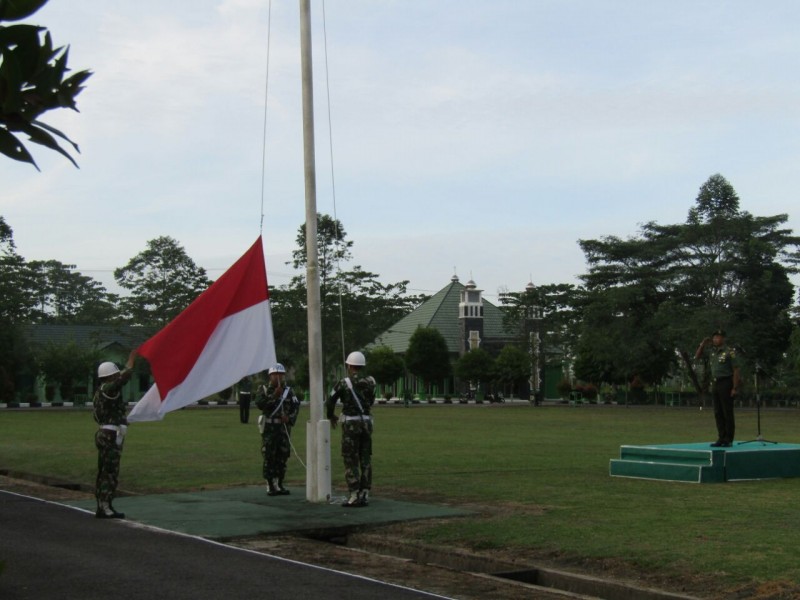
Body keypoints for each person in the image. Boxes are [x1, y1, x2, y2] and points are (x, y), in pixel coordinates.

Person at [325, 351, 376, 507]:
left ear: (349, 366)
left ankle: (354, 494)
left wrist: (331, 416)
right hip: (367, 424)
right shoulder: (371, 382)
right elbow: (371, 401)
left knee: (350, 459)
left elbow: (330, 400)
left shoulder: (343, 382)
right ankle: (365, 493)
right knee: (365, 458)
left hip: (351, 425)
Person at [93, 350, 137, 519]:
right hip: (110, 435)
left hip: (105, 432)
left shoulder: (100, 391)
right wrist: (130, 362)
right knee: (109, 472)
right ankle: (105, 507)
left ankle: (104, 505)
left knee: (104, 471)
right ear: (111, 376)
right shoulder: (108, 389)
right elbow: (122, 380)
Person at [255, 363, 300, 496]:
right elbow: (260, 404)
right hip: (270, 429)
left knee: (283, 456)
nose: (278, 377)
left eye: (281, 374)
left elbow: (295, 406)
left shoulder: (289, 391)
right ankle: (270, 484)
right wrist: (274, 395)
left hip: (283, 428)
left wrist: (290, 418)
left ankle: (279, 483)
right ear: (270, 376)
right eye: (275, 375)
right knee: (269, 456)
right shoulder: (263, 389)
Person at [695, 329, 741, 447]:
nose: (716, 339)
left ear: (723, 339)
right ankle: (721, 437)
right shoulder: (712, 351)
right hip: (715, 383)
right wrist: (702, 344)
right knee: (717, 412)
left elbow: (736, 369)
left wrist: (734, 387)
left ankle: (728, 439)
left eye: (718, 337)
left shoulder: (729, 352)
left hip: (726, 382)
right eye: (714, 337)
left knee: (727, 412)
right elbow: (697, 356)